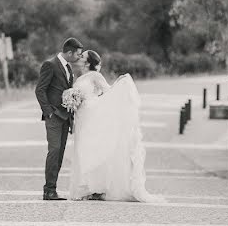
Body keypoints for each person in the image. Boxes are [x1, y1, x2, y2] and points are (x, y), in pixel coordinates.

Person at [68, 50, 165, 203]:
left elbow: (108, 92)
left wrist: (120, 84)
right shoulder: (79, 77)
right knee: (82, 150)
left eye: (83, 56)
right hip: (81, 117)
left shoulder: (95, 76)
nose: (80, 58)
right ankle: (86, 186)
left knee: (92, 149)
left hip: (91, 115)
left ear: (88, 62)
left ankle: (96, 188)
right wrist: (72, 100)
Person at [35, 37, 84, 201]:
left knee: (60, 154)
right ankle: (48, 189)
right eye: (77, 54)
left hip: (65, 118)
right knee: (54, 151)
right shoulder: (50, 65)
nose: (79, 57)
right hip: (54, 117)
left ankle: (52, 190)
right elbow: (40, 90)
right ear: (69, 52)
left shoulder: (68, 68)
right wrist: (48, 112)